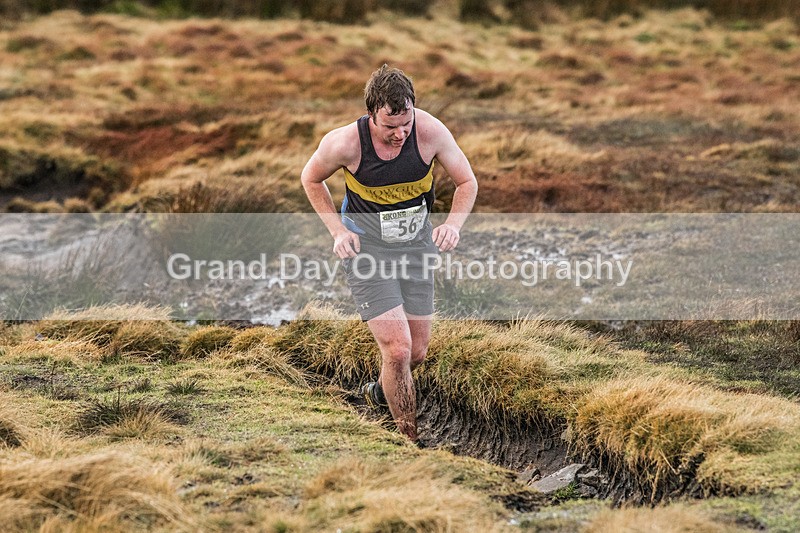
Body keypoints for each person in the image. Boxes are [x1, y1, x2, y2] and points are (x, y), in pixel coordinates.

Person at [300, 64, 478, 445]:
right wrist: (338, 231)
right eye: (390, 127)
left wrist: (453, 225)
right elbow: (310, 178)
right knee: (398, 350)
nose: (400, 135)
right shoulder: (345, 143)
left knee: (417, 353)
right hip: (367, 250)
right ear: (371, 115)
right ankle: (408, 441)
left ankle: (379, 392)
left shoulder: (430, 132)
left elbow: (467, 182)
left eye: (406, 124)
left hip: (416, 246)